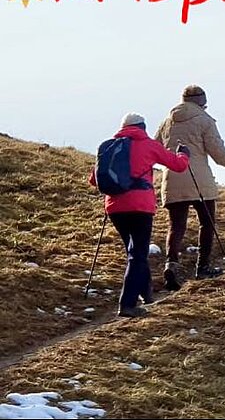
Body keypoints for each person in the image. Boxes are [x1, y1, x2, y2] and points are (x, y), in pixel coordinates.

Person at [90, 113, 190, 318]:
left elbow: (94, 180)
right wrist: (184, 154)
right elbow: (178, 166)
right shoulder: (148, 145)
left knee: (134, 251)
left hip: (114, 207)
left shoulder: (109, 146)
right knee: (137, 254)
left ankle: (146, 294)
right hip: (140, 206)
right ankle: (127, 304)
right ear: (142, 127)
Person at [155, 85, 225, 291]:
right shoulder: (205, 121)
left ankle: (171, 264)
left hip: (172, 177)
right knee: (207, 223)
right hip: (199, 179)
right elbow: (218, 153)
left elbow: (155, 149)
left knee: (176, 226)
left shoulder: (167, 122)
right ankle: (203, 266)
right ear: (202, 103)